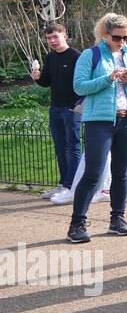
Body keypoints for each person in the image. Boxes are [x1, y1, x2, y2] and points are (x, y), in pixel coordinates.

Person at [66, 13, 127, 243]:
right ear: (105, 34)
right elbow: (79, 87)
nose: (122, 42)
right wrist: (109, 78)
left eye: (126, 37)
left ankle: (118, 219)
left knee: (122, 173)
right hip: (99, 120)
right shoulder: (90, 55)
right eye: (117, 37)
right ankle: (77, 223)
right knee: (93, 172)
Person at [30, 22, 81, 203]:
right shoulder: (50, 57)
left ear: (64, 36)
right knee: (60, 148)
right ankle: (63, 184)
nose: (52, 41)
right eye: (49, 38)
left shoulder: (76, 56)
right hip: (55, 108)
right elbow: (46, 82)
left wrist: (77, 105)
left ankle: (72, 186)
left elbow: (82, 83)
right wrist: (37, 77)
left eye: (55, 37)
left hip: (72, 109)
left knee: (73, 147)